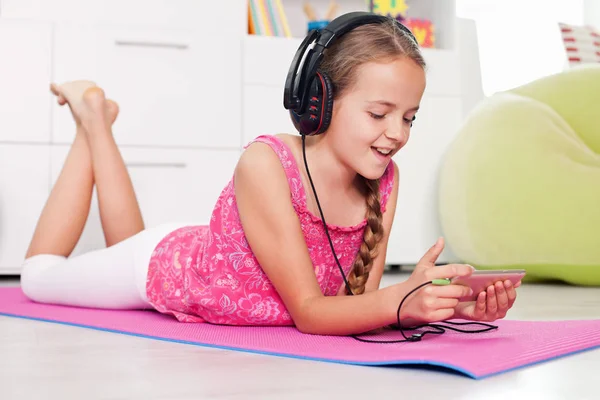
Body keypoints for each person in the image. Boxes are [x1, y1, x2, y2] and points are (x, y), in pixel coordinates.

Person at [20, 12, 520, 336]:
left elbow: (360, 306)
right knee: (40, 278)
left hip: (202, 250)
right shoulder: (266, 165)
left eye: (408, 117)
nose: (397, 134)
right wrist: (399, 301)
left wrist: (435, 302)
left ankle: (98, 124)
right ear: (320, 102)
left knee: (123, 238)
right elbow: (310, 311)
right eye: (378, 113)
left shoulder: (385, 179)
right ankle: (92, 121)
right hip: (165, 268)